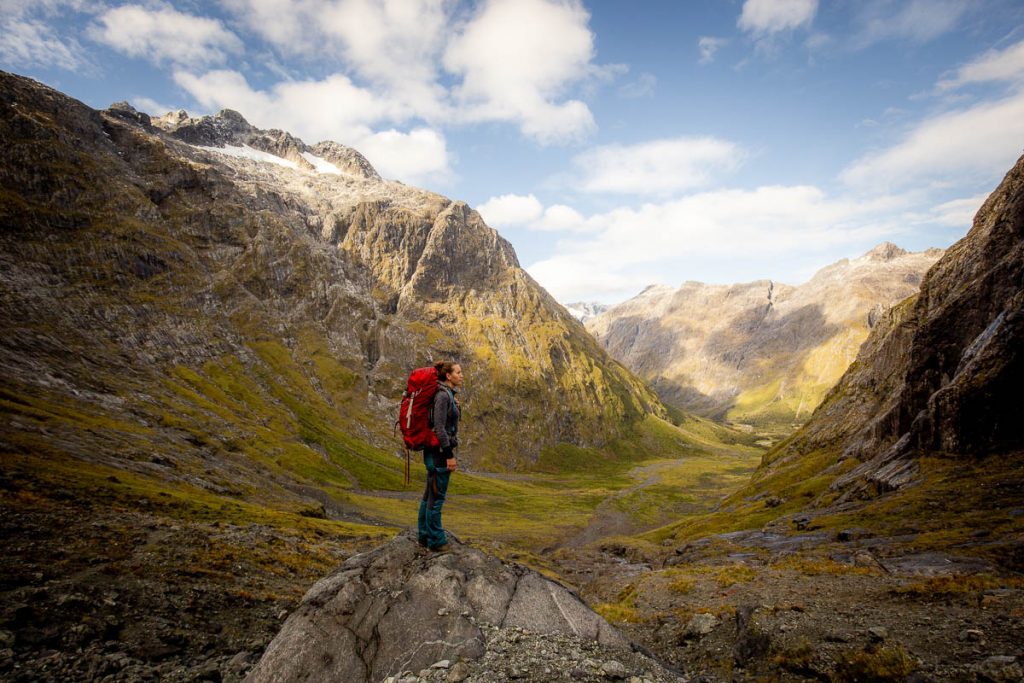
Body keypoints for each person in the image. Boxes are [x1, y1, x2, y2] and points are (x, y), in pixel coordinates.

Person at [417, 361, 462, 551]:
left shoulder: (446, 395)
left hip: (433, 453)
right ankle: (436, 541)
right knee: (436, 499)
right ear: (448, 376)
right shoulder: (443, 396)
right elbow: (439, 429)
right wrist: (449, 455)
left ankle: (424, 535)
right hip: (439, 454)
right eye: (458, 372)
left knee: (429, 496)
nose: (462, 375)